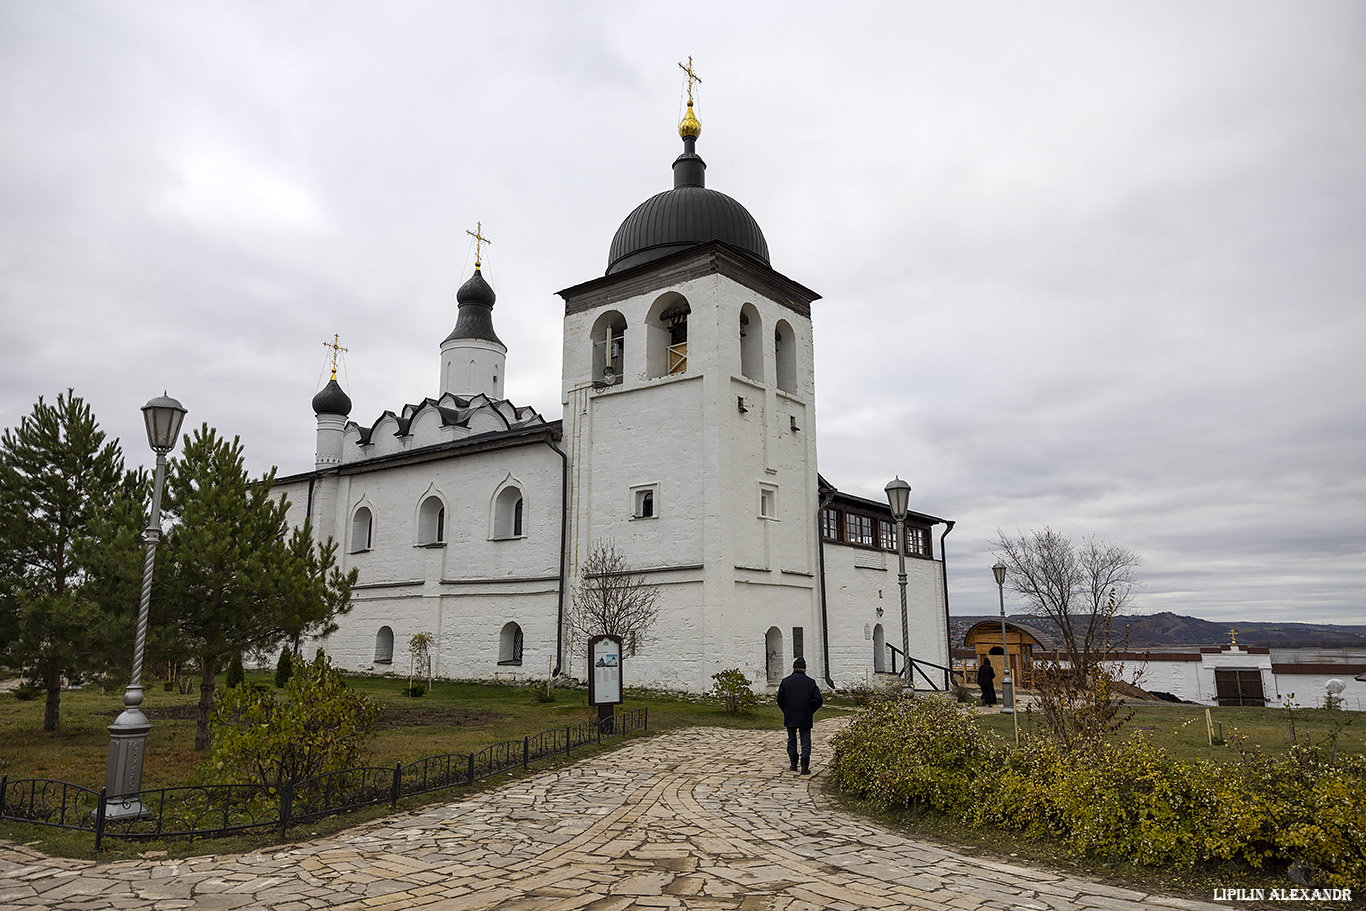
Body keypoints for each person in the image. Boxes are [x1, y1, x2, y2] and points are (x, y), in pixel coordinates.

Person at [776, 657, 823, 775]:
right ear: (804, 669)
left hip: (790, 714)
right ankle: (804, 767)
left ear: (793, 668)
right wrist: (810, 710)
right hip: (805, 714)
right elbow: (819, 700)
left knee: (792, 739)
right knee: (805, 740)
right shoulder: (810, 682)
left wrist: (786, 710)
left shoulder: (786, 681)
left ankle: (793, 764)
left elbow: (780, 699)